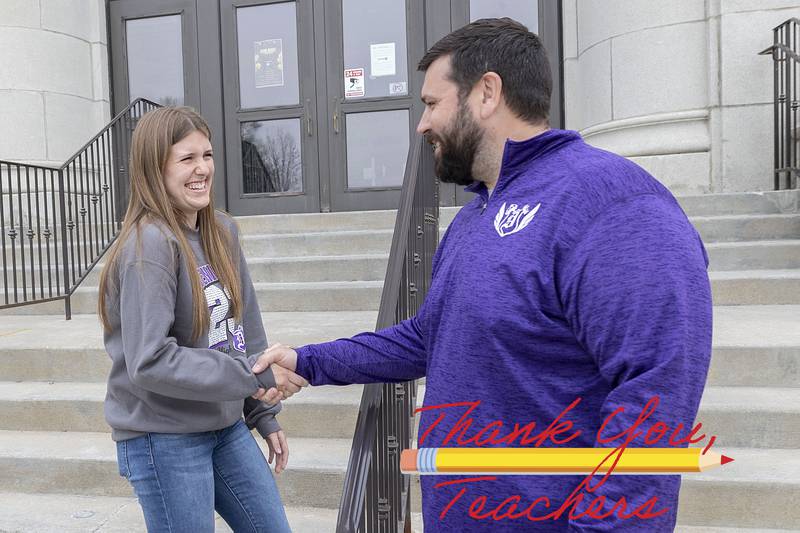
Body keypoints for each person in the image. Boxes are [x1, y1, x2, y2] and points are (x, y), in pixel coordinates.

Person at [253, 18, 713, 532]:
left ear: (487, 93)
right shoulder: (475, 215)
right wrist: (308, 361)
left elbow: (655, 392)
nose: (422, 125)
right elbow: (429, 338)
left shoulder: (616, 204)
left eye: (431, 104)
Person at [98, 106, 306, 533]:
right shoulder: (150, 246)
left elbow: (242, 333)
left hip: (224, 426)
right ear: (155, 170)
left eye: (207, 155)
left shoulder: (221, 232)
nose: (202, 169)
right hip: (164, 437)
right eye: (186, 159)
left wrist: (261, 412)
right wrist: (253, 378)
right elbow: (150, 360)